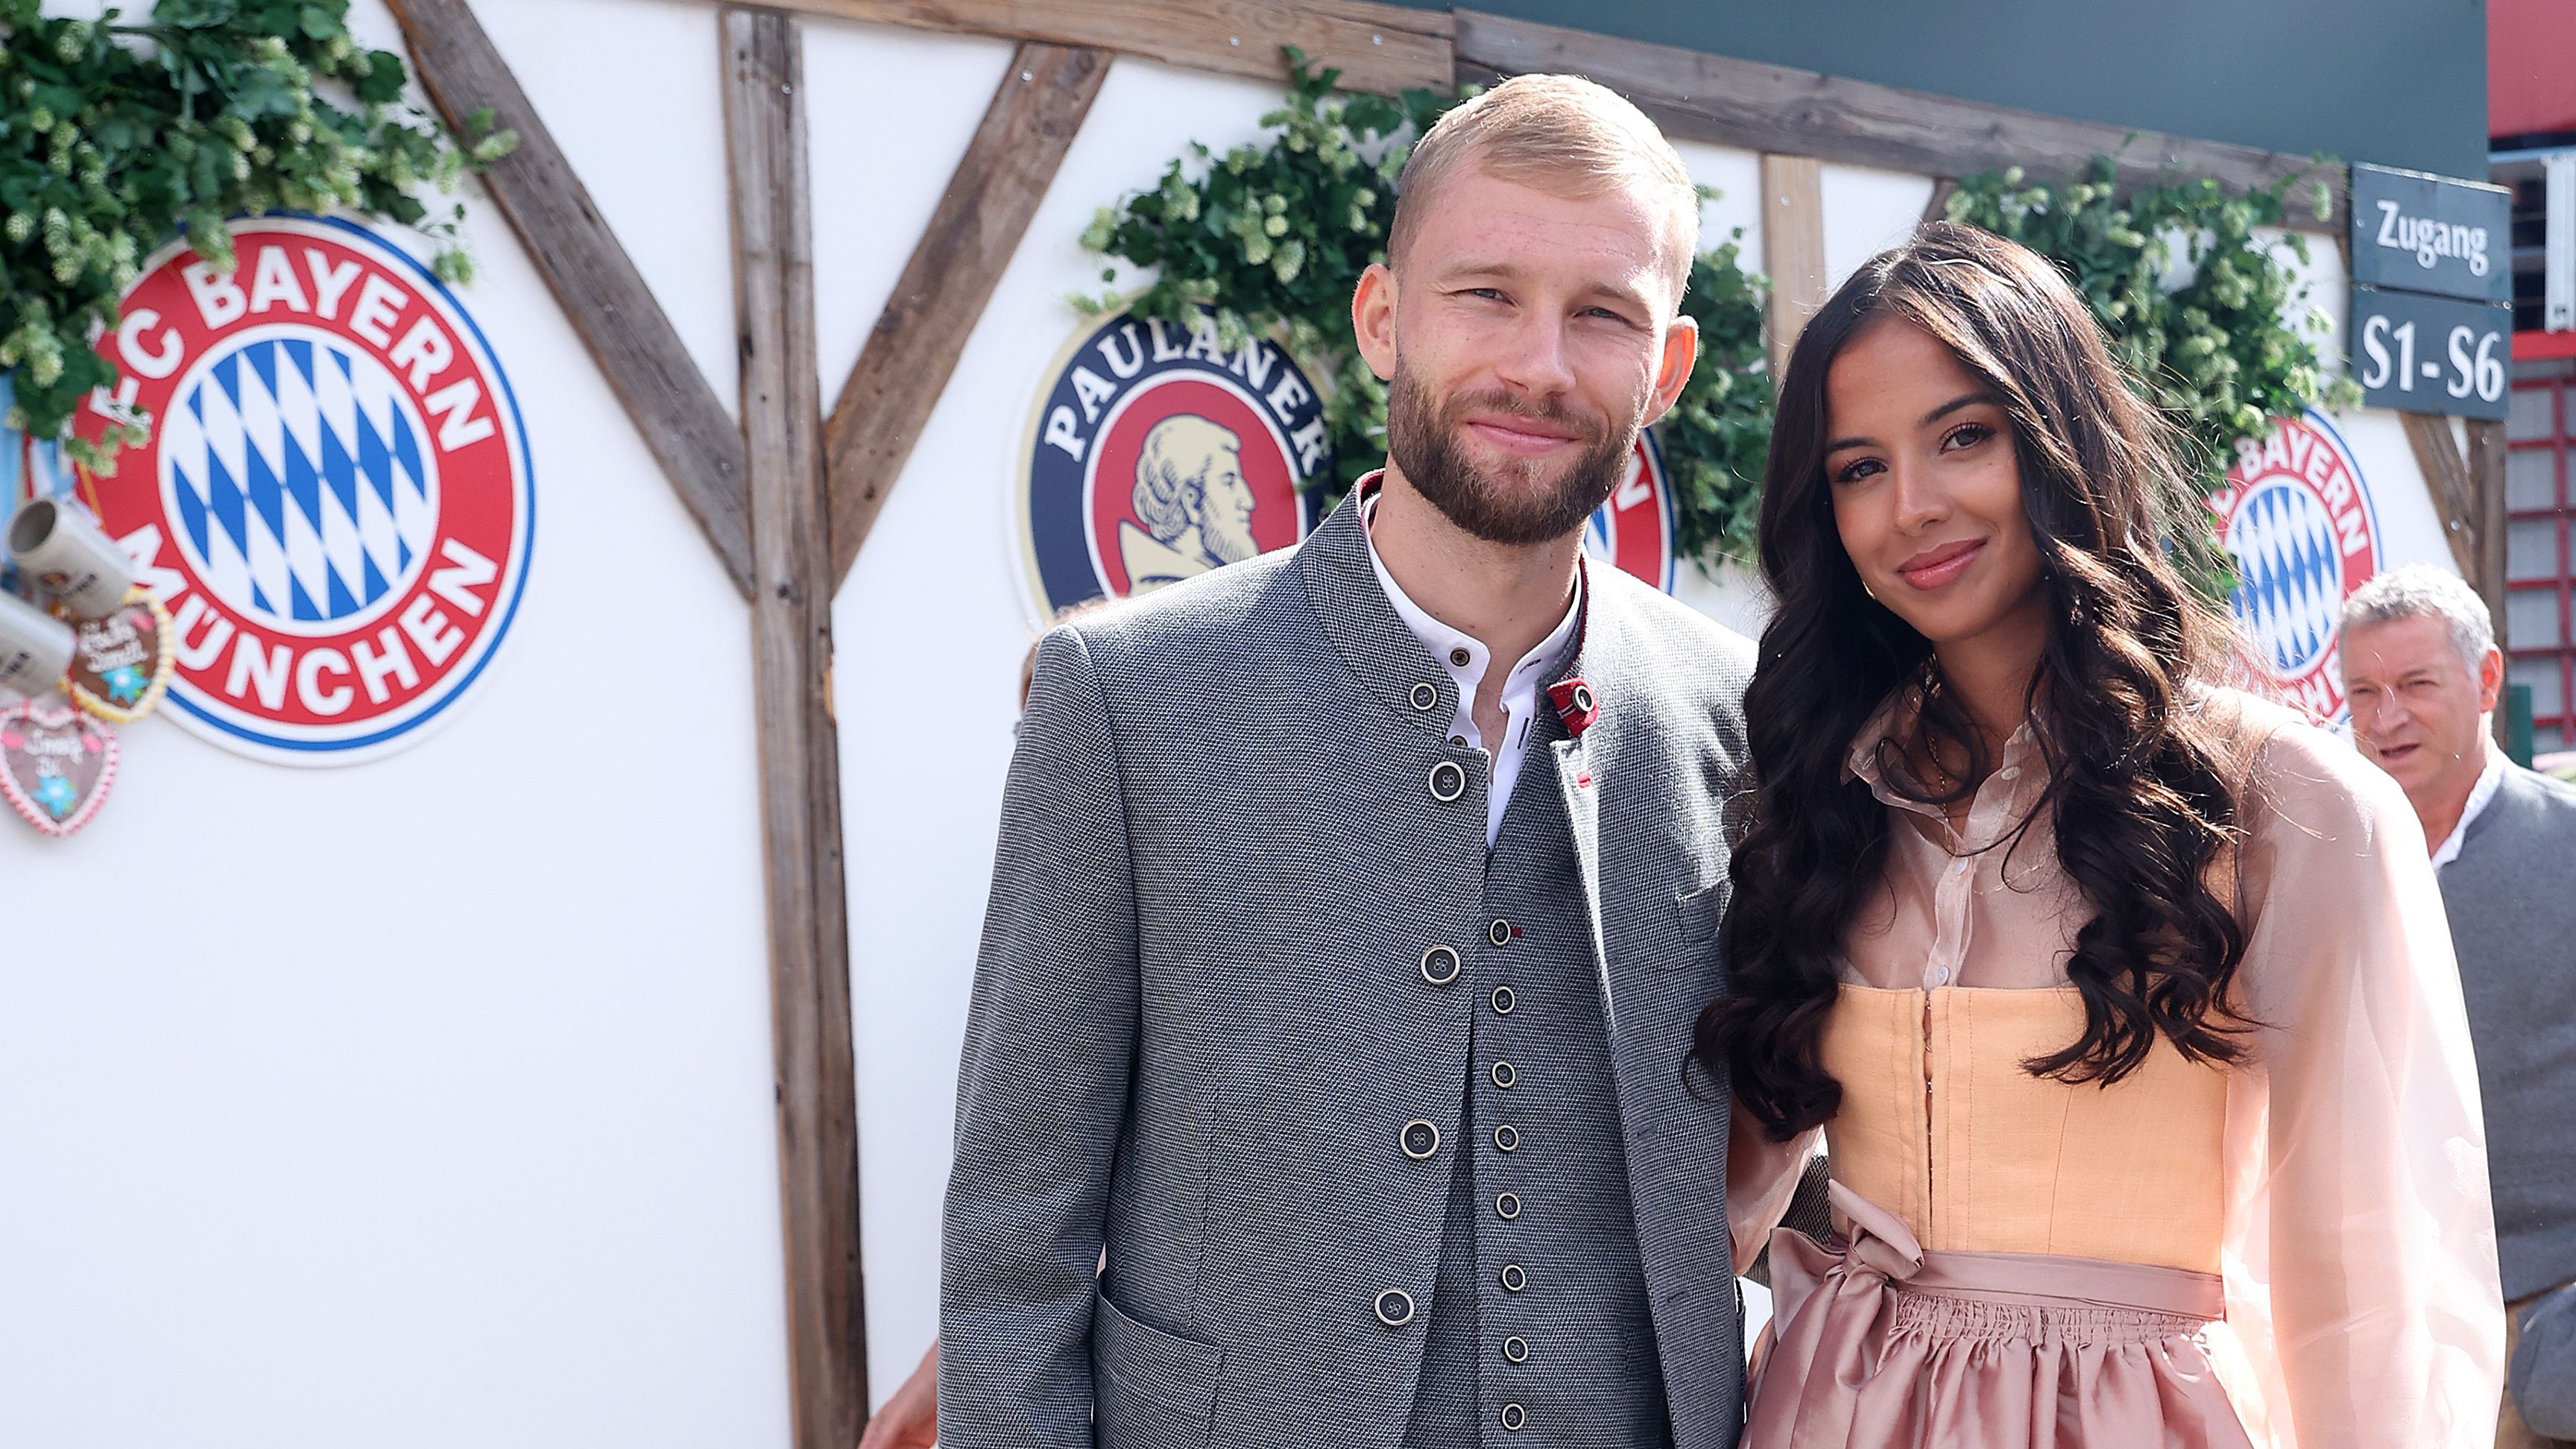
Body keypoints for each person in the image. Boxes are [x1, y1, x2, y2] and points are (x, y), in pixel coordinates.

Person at [941, 74, 1760, 1449]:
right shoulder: (1128, 695)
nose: (1540, 364)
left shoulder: (1739, 715)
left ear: (1664, 370)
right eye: (1485, 293)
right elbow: (1011, 1250)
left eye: (1601, 314)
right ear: (1384, 319)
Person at [1702, 221, 2504, 1447]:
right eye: (1857, 467)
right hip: (1832, 1409)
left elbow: (2372, 1273)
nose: (1910, 506)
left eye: (1962, 435)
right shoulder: (1821, 793)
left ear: (2057, 439)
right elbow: (1709, 1207)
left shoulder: (2281, 801)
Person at [2342, 565, 2576, 1449]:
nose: (2385, 717)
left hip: (2553, 1316)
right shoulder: (2328, 872)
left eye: (2414, 686)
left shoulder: (2567, 851)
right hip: (2393, 1328)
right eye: (2363, 692)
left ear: (2484, 682)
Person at [1120, 414, 1258, 590]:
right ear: (1191, 502)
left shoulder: (1209, 587)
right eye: (1228, 482)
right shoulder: (1170, 600)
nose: (1248, 501)